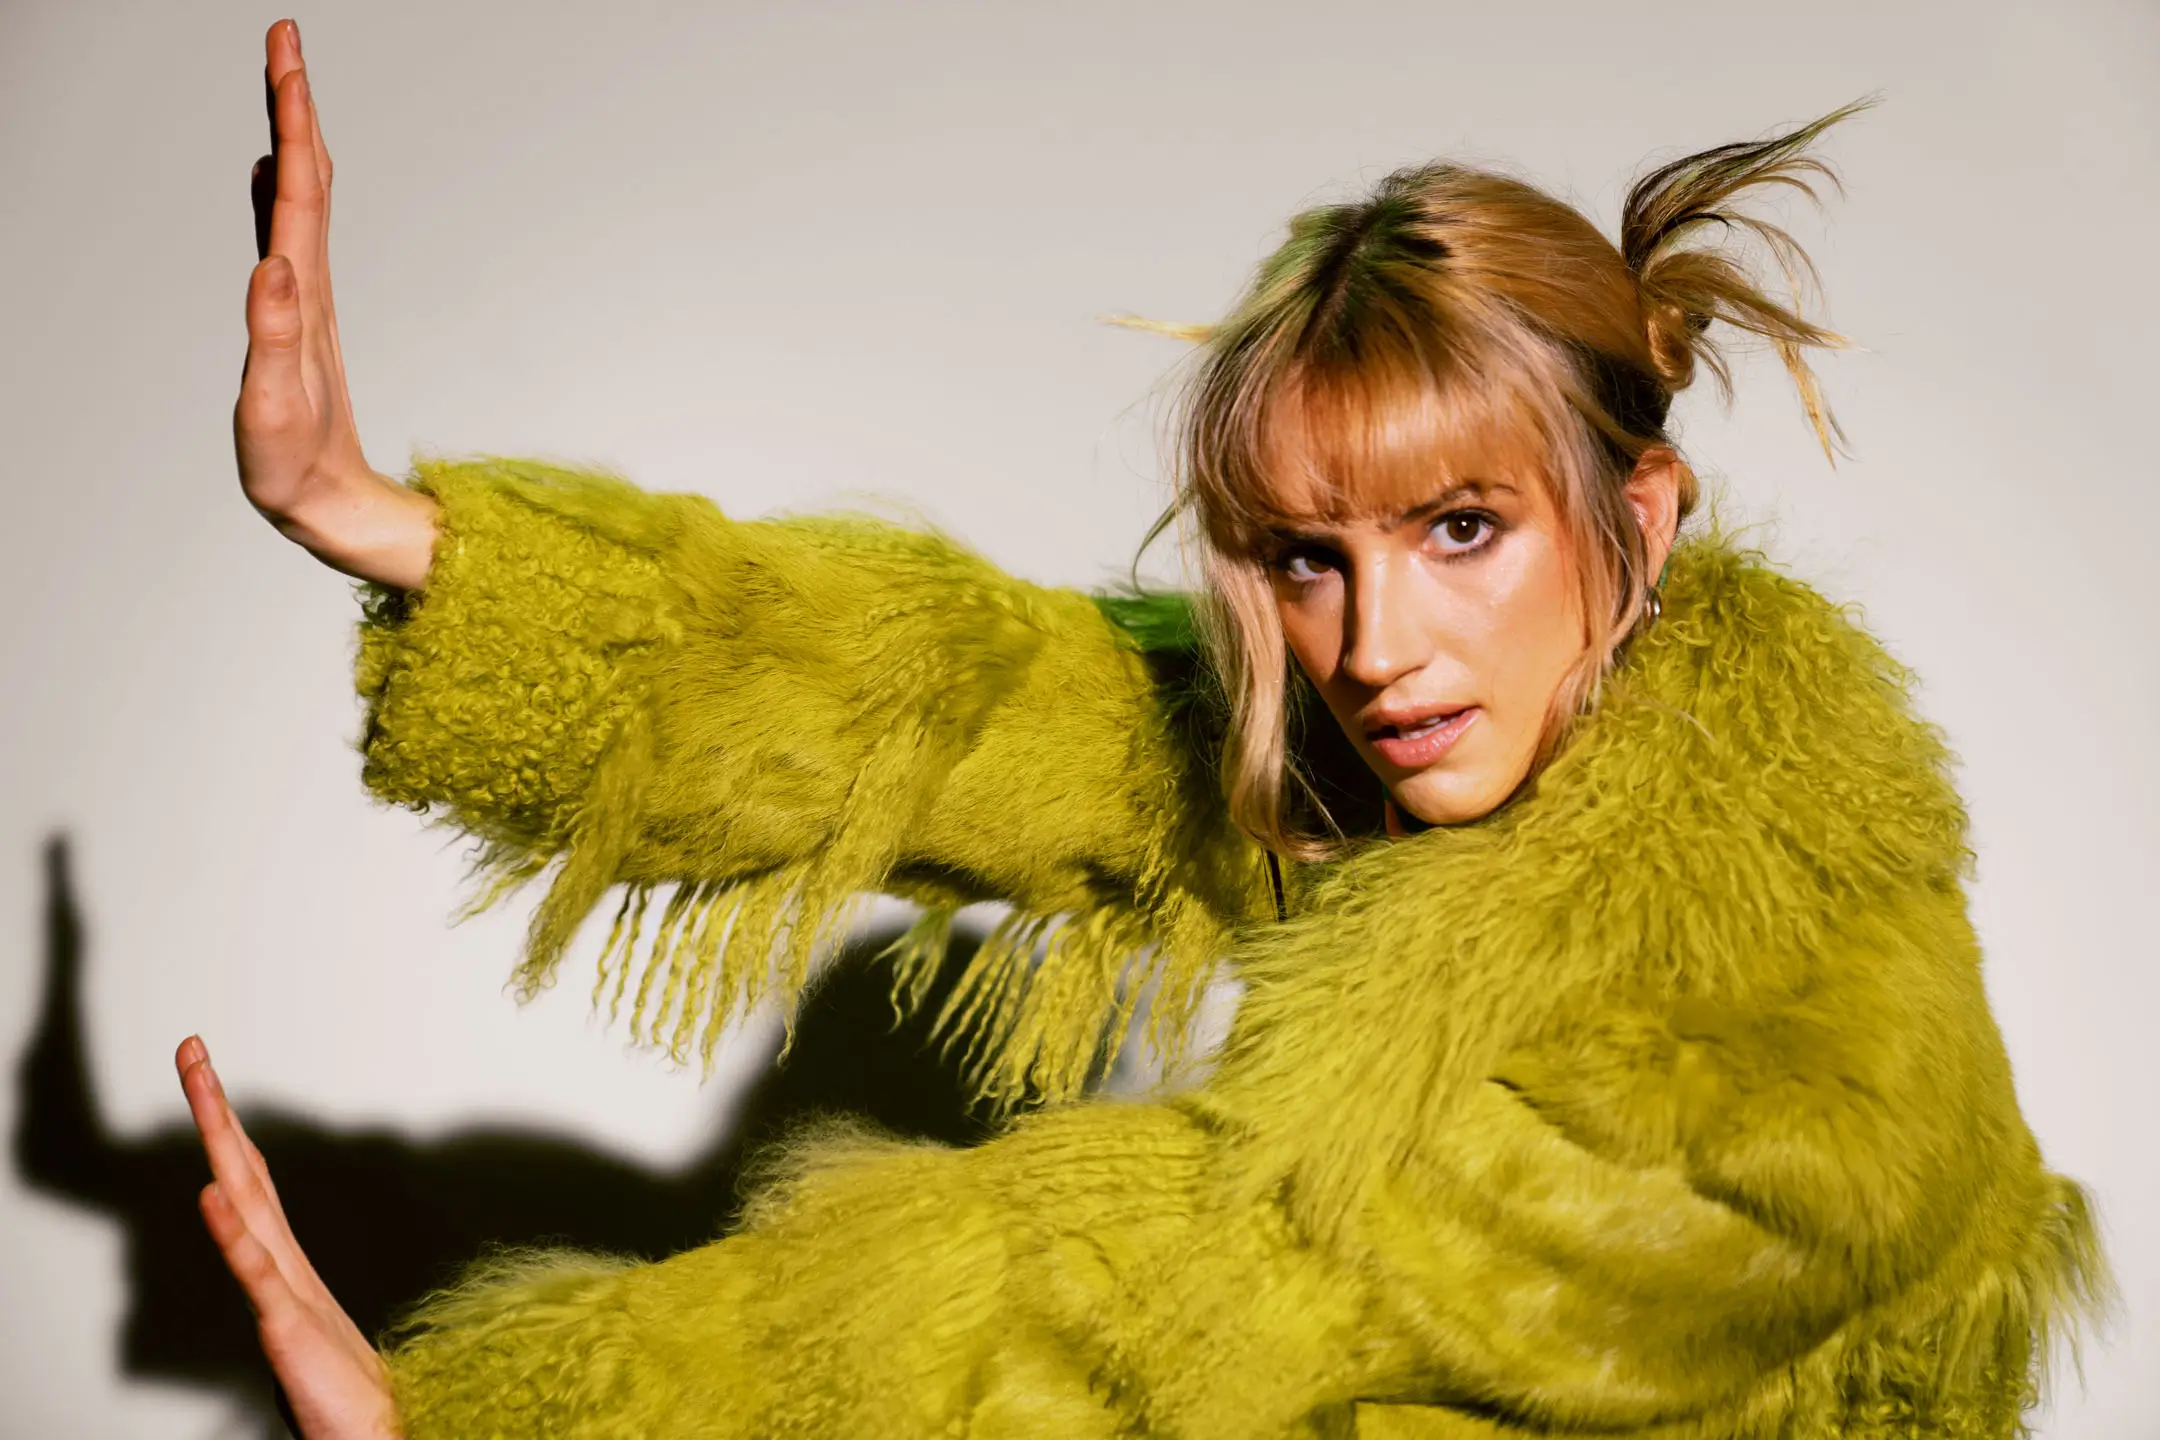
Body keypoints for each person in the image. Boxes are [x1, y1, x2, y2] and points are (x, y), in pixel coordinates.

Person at [178, 17, 2108, 1439]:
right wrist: (386, 524)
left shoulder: (1806, 1019)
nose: (1374, 646)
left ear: (1642, 520)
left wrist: (503, 1422)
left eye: (1462, 528)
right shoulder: (1399, 758)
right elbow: (958, 695)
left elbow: (1166, 1293)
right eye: (1301, 554)